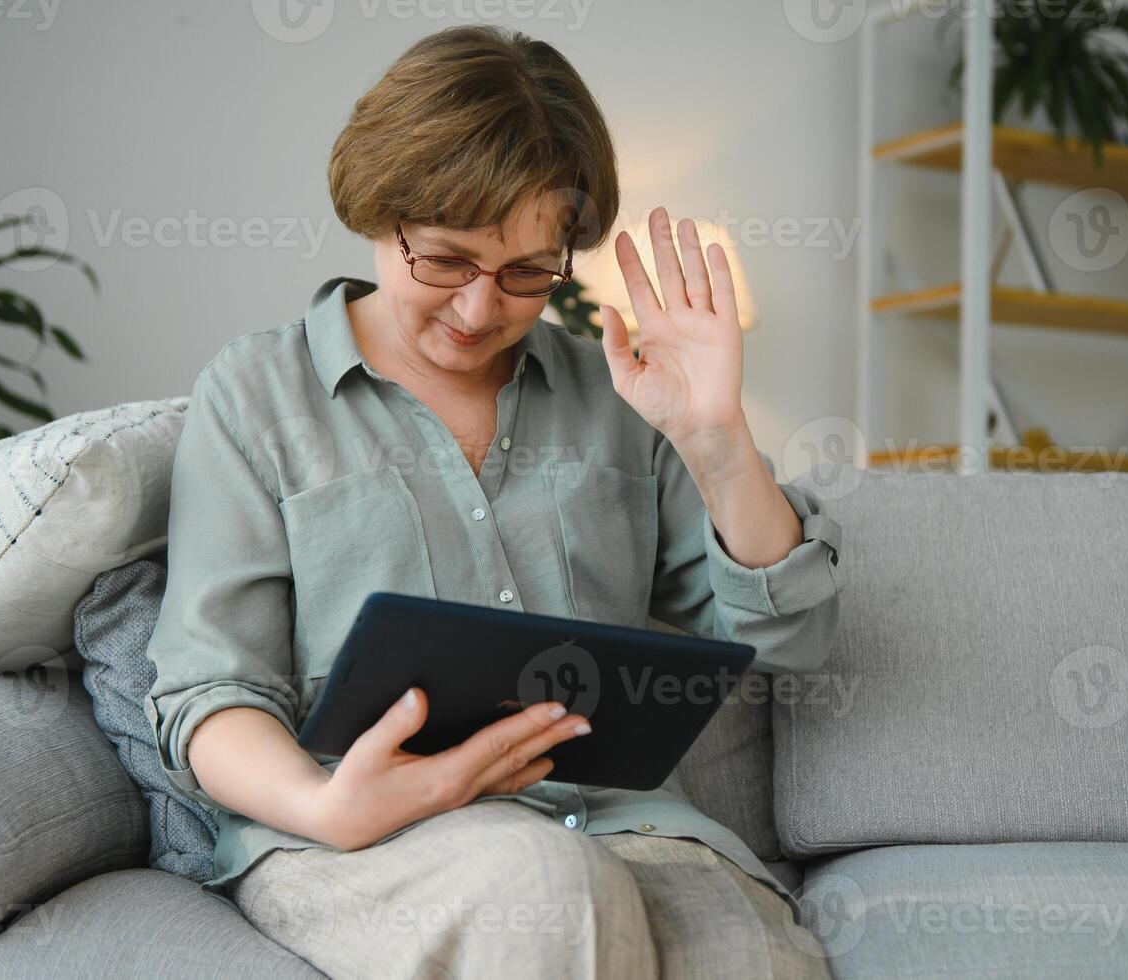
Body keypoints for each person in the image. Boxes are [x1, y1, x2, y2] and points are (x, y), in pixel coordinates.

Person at [144, 23, 844, 980]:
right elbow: (208, 687)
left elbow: (788, 644)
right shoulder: (260, 392)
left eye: (525, 274)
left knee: (744, 955)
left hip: (629, 822)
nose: (479, 312)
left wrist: (718, 440)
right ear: (375, 213)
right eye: (443, 261)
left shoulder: (617, 397)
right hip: (362, 837)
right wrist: (323, 806)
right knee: (544, 892)